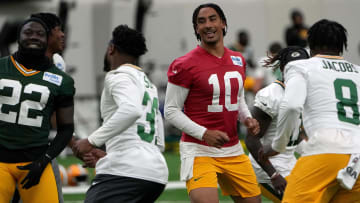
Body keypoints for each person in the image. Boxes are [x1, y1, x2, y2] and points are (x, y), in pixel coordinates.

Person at [164, 3, 261, 203]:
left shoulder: (238, 59)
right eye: (201, 21)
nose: (208, 25)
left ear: (223, 23)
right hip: (198, 149)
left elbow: (238, 96)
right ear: (196, 29)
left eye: (212, 19)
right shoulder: (184, 64)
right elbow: (171, 110)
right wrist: (204, 133)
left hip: (232, 148)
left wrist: (247, 118)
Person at [264, 19, 360, 202]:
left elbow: (291, 106)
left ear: (311, 44)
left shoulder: (301, 66)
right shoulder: (357, 71)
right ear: (341, 46)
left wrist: (277, 146)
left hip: (326, 151)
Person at [72, 24, 168, 203]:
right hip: (156, 172)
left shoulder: (118, 76)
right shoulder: (148, 84)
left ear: (111, 48)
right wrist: (111, 153)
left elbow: (131, 110)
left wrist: (91, 141)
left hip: (127, 171)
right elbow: (158, 140)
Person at [0, 17, 75, 202]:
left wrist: (44, 160)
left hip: (36, 159)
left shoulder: (61, 79)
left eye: (40, 34)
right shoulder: (2, 67)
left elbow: (66, 127)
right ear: (18, 38)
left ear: (46, 39)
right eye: (28, 32)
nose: (34, 37)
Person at [245, 46, 309, 203]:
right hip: (268, 167)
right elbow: (252, 139)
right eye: (293, 67)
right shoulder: (272, 95)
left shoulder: (303, 91)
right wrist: (273, 174)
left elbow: (295, 135)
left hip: (289, 162)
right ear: (282, 68)